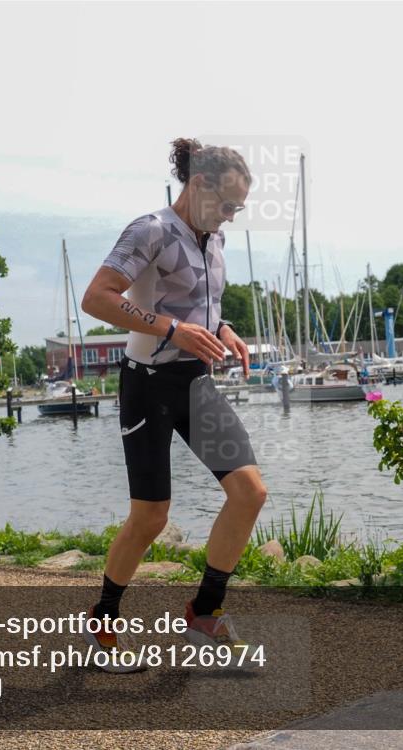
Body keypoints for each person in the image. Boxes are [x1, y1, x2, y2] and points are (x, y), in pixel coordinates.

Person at [80, 138, 267, 672]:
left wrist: (223, 329)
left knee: (249, 492)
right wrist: (173, 330)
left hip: (194, 383)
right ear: (199, 184)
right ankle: (103, 624)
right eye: (228, 204)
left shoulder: (213, 242)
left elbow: (201, 306)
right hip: (147, 384)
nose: (232, 216)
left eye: (238, 209)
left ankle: (204, 617)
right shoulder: (151, 230)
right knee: (150, 518)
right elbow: (96, 297)